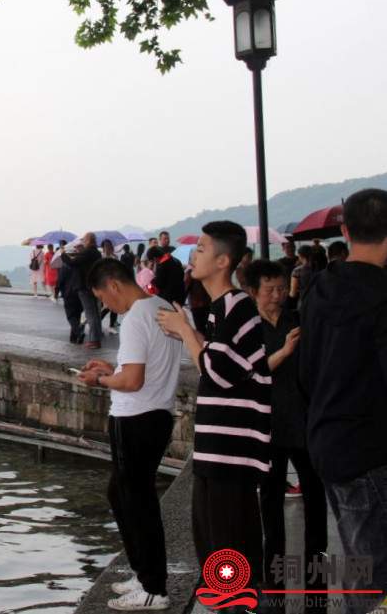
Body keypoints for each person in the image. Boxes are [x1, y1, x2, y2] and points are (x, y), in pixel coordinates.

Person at [156, 220, 271, 594]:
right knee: (212, 539)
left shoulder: (238, 306)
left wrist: (185, 332)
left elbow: (217, 372)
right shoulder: (221, 308)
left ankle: (238, 603)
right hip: (216, 447)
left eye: (202, 249)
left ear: (223, 261)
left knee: (227, 543)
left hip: (230, 451)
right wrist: (189, 332)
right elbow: (219, 362)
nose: (194, 255)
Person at [299, 188, 387, 611]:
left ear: (346, 231)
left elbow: (306, 371)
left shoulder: (319, 287)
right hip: (372, 449)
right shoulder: (382, 296)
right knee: (375, 571)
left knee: (360, 563)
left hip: (326, 442)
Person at [77, 258, 182, 611]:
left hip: (135, 417)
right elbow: (142, 369)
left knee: (137, 502)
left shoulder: (136, 317)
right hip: (157, 415)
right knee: (123, 494)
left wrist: (100, 379)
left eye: (102, 298)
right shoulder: (161, 306)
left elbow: (133, 381)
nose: (105, 305)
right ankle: (143, 573)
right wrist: (113, 369)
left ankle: (153, 588)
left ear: (114, 285)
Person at [244, 260, 327, 614]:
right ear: (253, 292)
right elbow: (250, 373)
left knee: (316, 501)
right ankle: (273, 585)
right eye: (270, 290)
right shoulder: (248, 328)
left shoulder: (298, 320)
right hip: (268, 424)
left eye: (281, 288)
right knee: (270, 504)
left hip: (304, 421)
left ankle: (317, 585)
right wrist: (284, 352)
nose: (277, 296)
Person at [63, 233, 103, 349]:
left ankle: (94, 340)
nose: (83, 242)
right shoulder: (97, 253)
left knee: (90, 314)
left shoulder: (87, 252)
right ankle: (97, 338)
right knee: (96, 313)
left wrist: (63, 254)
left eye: (84, 240)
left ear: (89, 240)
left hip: (84, 286)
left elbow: (72, 263)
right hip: (94, 285)